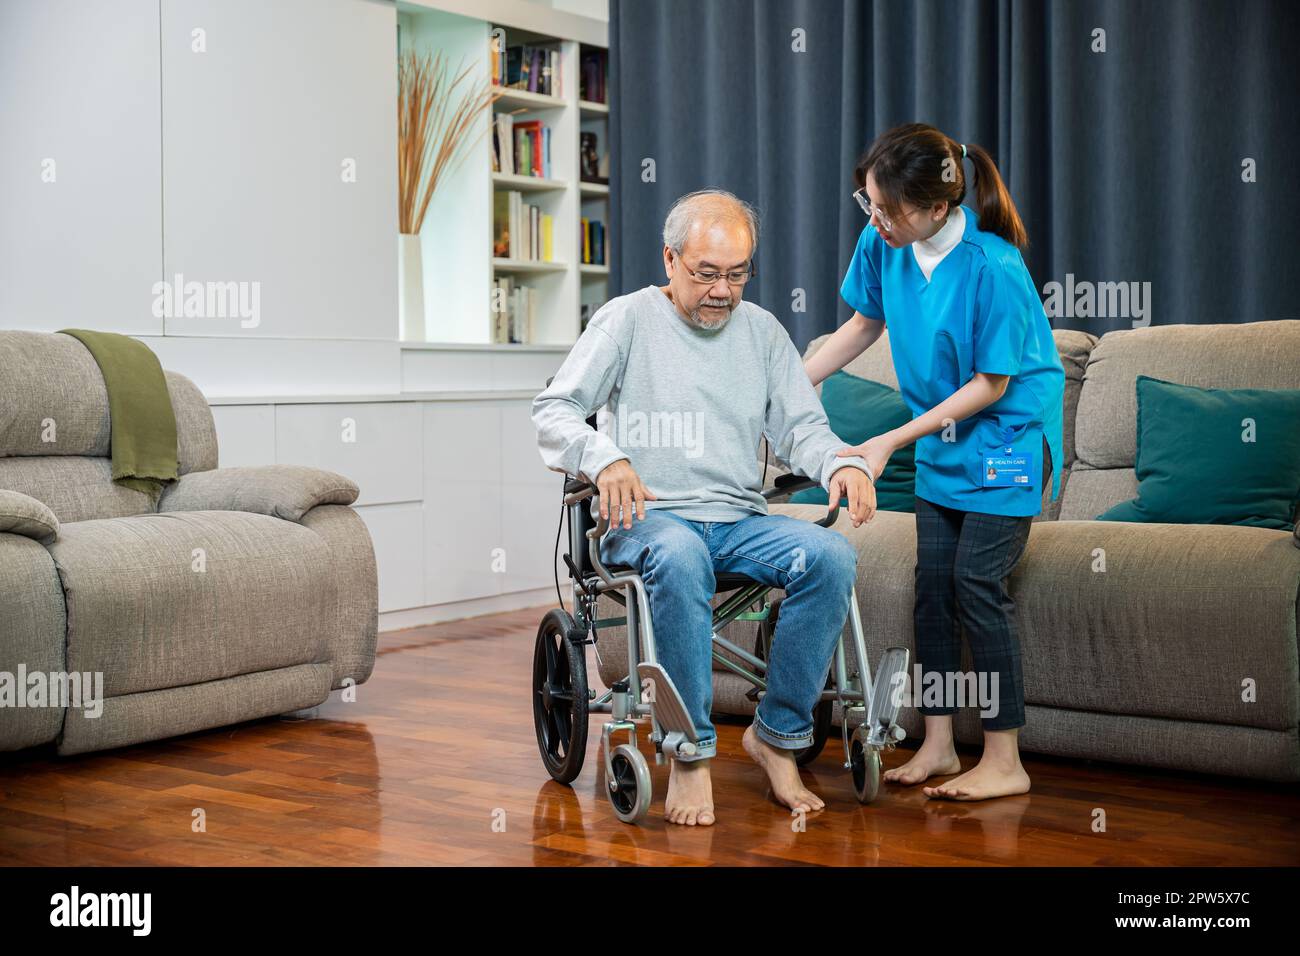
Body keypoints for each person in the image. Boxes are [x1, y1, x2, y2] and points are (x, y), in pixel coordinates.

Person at [532, 189, 875, 826]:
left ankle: (776, 738)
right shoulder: (626, 321)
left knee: (829, 555)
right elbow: (552, 410)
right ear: (670, 259)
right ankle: (689, 754)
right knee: (682, 551)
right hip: (646, 522)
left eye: (737, 274)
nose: (722, 289)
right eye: (707, 272)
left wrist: (843, 462)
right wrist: (605, 457)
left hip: (738, 521)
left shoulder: (765, 333)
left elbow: (804, 429)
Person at [805, 123, 1065, 801]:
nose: (876, 219)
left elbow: (990, 386)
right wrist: (787, 386)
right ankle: (941, 745)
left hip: (1006, 439)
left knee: (977, 585)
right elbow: (861, 326)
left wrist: (890, 439)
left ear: (938, 207)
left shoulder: (993, 266)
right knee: (932, 592)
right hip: (945, 441)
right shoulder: (883, 242)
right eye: (869, 203)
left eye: (889, 209)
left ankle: (1006, 760)